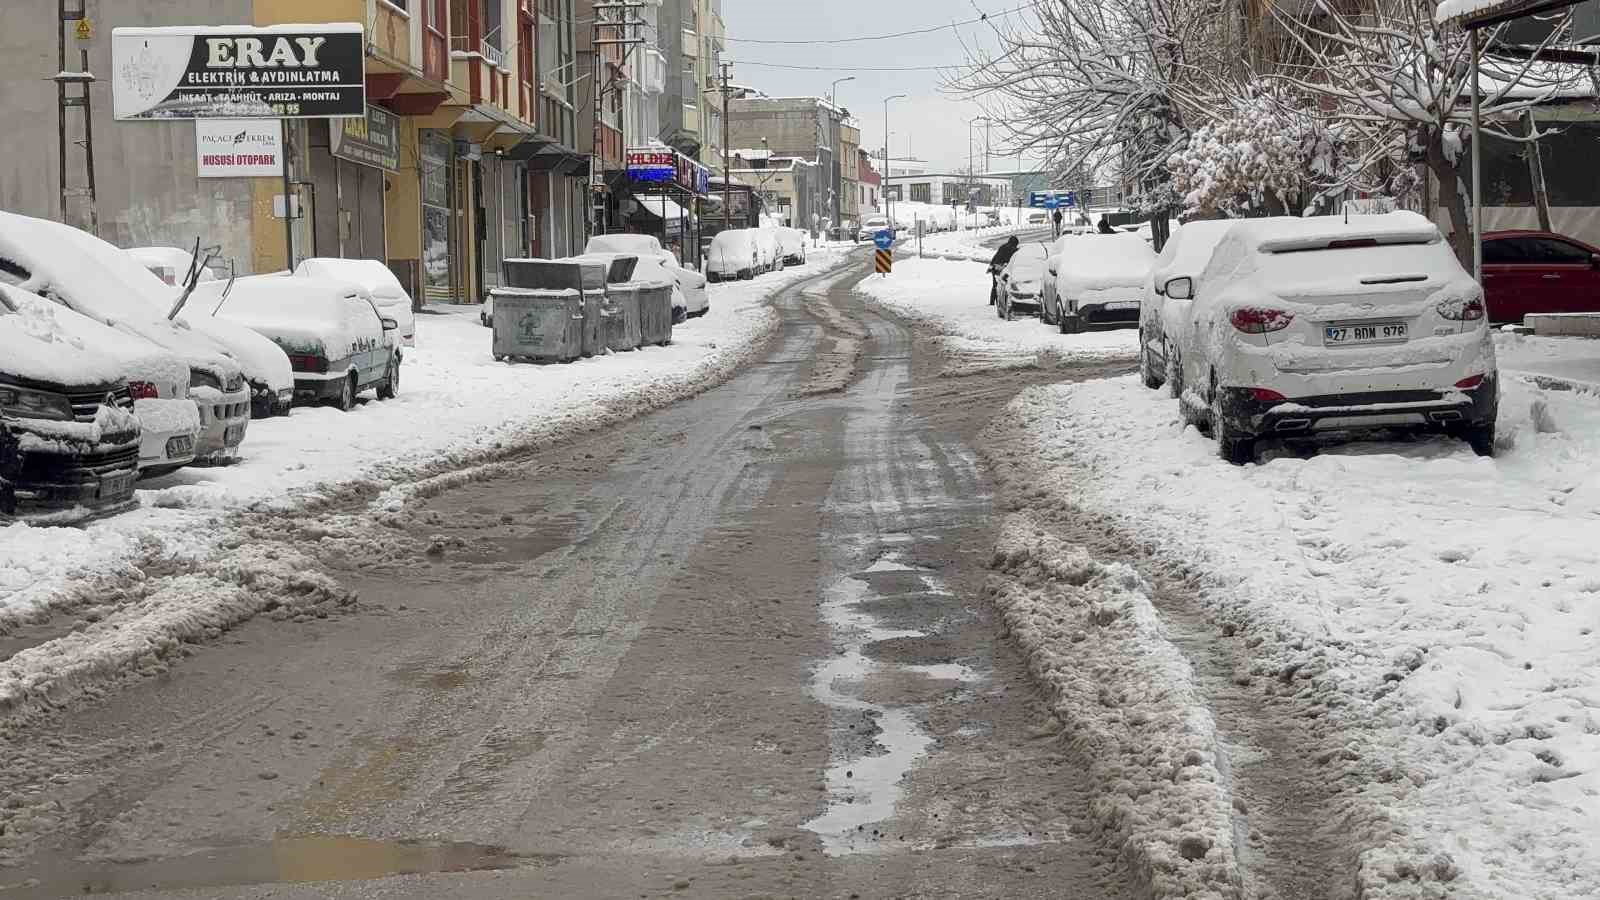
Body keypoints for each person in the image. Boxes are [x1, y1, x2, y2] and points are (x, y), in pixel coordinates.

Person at [987, 236, 1020, 306]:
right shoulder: (1012, 249)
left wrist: (990, 267)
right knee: (1001, 286)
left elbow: (995, 257)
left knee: (995, 286)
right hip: (1000, 269)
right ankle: (998, 302)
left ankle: (992, 303)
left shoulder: (1003, 247)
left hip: (995, 268)